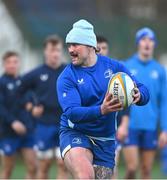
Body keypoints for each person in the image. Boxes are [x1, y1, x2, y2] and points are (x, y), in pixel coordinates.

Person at [57, 19, 149, 179]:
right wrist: (102, 109)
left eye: (75, 44)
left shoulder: (114, 68)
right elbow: (72, 112)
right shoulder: (66, 77)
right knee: (86, 176)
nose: (70, 50)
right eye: (69, 45)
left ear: (90, 46)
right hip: (76, 132)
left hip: (105, 139)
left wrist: (138, 95)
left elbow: (143, 89)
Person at [19, 35, 68, 179]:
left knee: (63, 164)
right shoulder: (36, 73)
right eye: (52, 50)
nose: (55, 54)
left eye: (58, 50)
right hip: (43, 125)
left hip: (64, 124)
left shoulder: (68, 72)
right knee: (44, 166)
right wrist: (31, 107)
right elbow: (19, 92)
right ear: (45, 52)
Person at [123, 27, 167, 179]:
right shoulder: (126, 66)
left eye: (151, 40)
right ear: (138, 43)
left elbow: (164, 103)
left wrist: (165, 129)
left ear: (154, 44)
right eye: (143, 39)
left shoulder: (160, 71)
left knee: (147, 170)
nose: (147, 43)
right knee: (132, 167)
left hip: (150, 127)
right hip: (131, 126)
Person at [97, 35, 129, 178]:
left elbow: (127, 100)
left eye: (104, 48)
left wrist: (124, 125)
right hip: (90, 130)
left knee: (111, 170)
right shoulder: (85, 72)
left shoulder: (116, 74)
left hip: (111, 130)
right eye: (98, 48)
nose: (101, 51)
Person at [0, 51, 36, 179]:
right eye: (9, 62)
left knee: (33, 167)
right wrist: (13, 122)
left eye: (15, 62)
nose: (12, 65)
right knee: (8, 169)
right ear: (4, 64)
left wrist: (32, 107)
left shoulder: (24, 81)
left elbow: (31, 101)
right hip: (8, 132)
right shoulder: (2, 82)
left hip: (27, 130)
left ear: (19, 63)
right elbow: (1, 108)